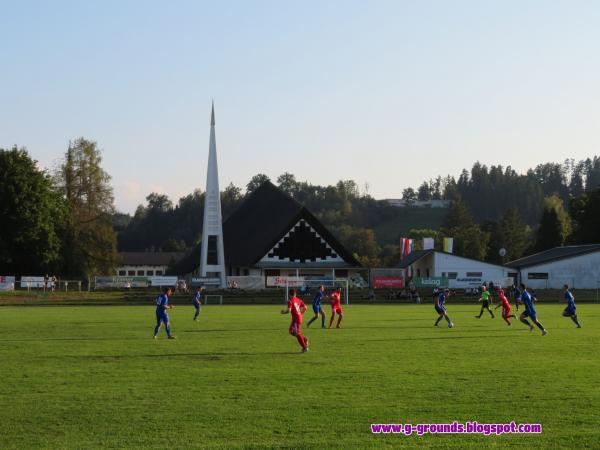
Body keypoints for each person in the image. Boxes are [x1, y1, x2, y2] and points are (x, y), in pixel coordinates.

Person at [281, 288, 308, 352]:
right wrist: (301, 314)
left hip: (296, 319)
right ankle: (304, 339)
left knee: (297, 333)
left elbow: (289, 311)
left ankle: (304, 347)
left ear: (289, 294)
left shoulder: (290, 301)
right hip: (298, 318)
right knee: (291, 331)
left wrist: (283, 312)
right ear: (295, 294)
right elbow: (306, 307)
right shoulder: (299, 300)